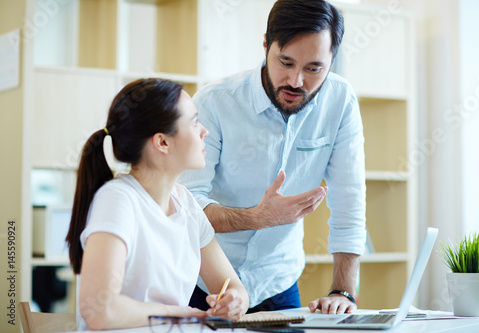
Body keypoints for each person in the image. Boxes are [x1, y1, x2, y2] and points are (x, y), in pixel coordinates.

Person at [179, 0, 366, 315]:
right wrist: (258, 217)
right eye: (286, 62)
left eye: (313, 68)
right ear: (265, 44)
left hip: (277, 281)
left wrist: (343, 292)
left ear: (333, 57)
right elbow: (186, 206)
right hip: (204, 284)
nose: (296, 81)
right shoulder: (215, 103)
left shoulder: (341, 101)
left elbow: (349, 201)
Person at [66, 78, 249, 331]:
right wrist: (177, 313)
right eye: (194, 122)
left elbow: (231, 285)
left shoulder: (186, 203)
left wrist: (236, 301)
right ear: (162, 142)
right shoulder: (118, 199)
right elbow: (99, 310)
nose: (204, 131)